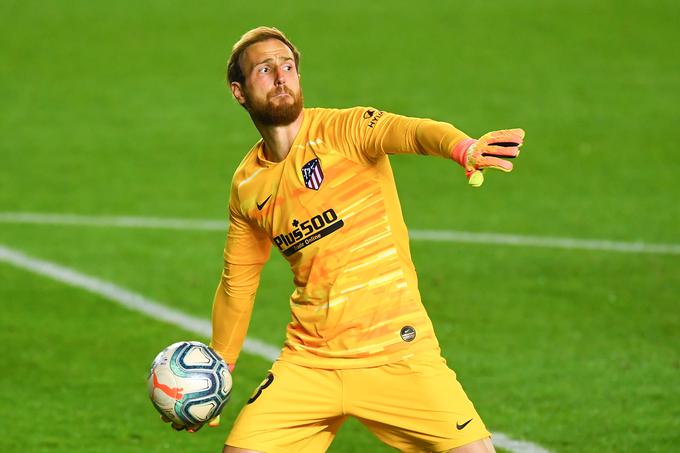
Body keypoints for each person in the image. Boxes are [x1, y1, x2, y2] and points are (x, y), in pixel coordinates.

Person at [186, 26, 523, 452]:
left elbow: (414, 131)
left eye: (287, 66)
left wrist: (463, 148)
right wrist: (221, 369)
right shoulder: (248, 185)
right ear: (239, 92)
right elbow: (239, 282)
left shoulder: (346, 130)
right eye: (265, 69)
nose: (280, 77)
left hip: (396, 351)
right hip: (310, 361)